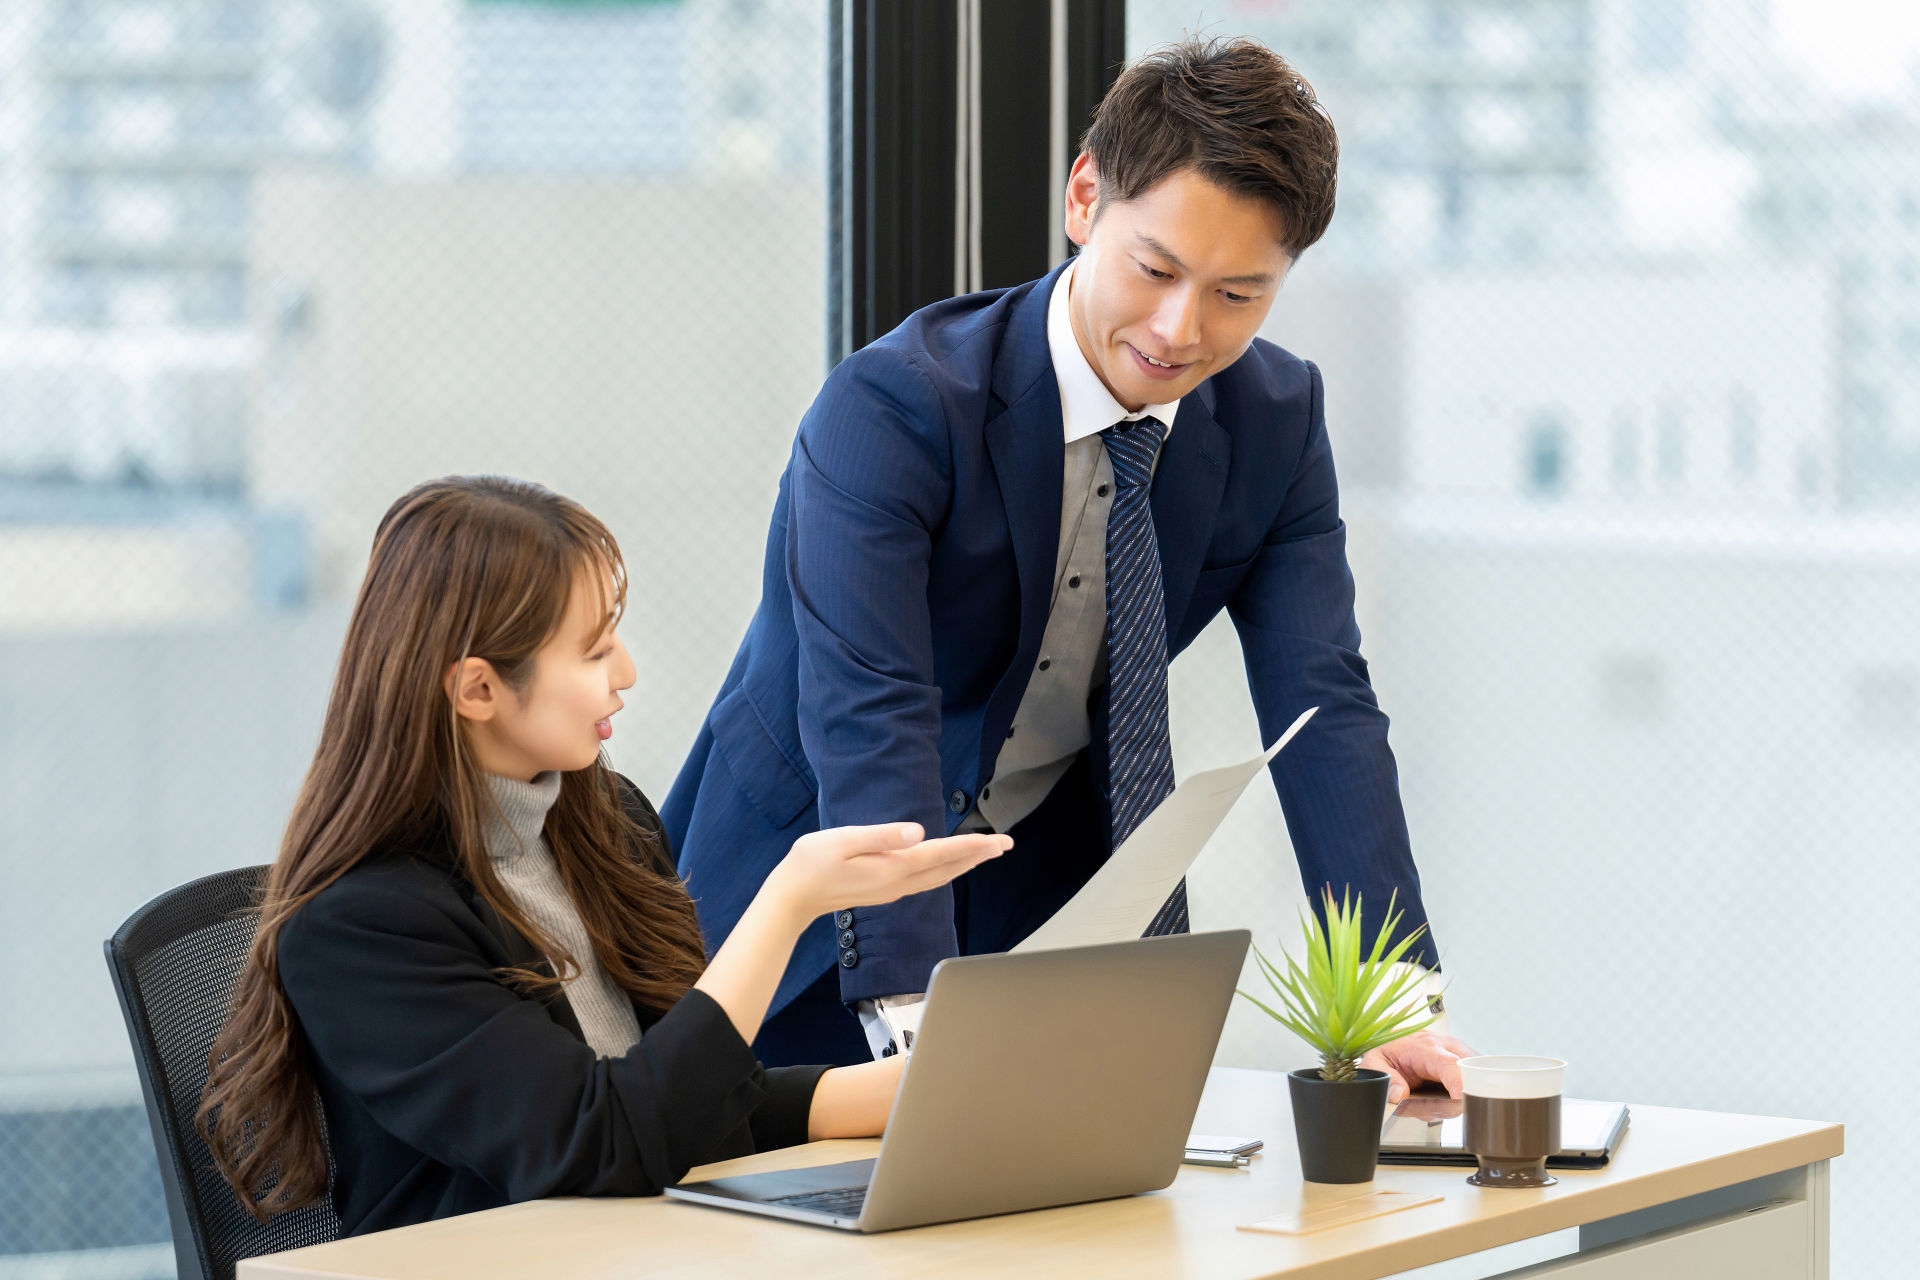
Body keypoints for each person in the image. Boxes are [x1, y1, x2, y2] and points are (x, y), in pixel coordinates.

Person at [663, 37, 1471, 1101]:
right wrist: (914, 1034)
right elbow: (875, 714)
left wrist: (1391, 996)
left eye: (1239, 293)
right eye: (1157, 269)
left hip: (1033, 916)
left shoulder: (1278, 423)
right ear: (1085, 196)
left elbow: (1324, 703)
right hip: (793, 902)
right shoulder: (896, 407)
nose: (1182, 329)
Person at [196, 476, 1008, 1234]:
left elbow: (689, 1104)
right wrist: (789, 901)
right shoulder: (360, 927)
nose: (626, 673)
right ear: (476, 689)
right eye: (592, 652)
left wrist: (927, 1091)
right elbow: (602, 1147)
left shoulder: (604, 826)